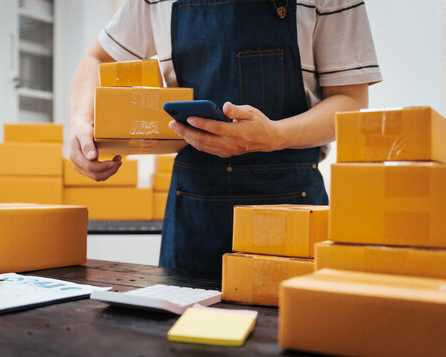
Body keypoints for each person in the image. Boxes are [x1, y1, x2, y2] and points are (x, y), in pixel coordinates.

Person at [70, 0, 382, 276]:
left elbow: (350, 100)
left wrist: (275, 136)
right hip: (193, 207)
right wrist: (83, 123)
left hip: (292, 204)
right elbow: (98, 60)